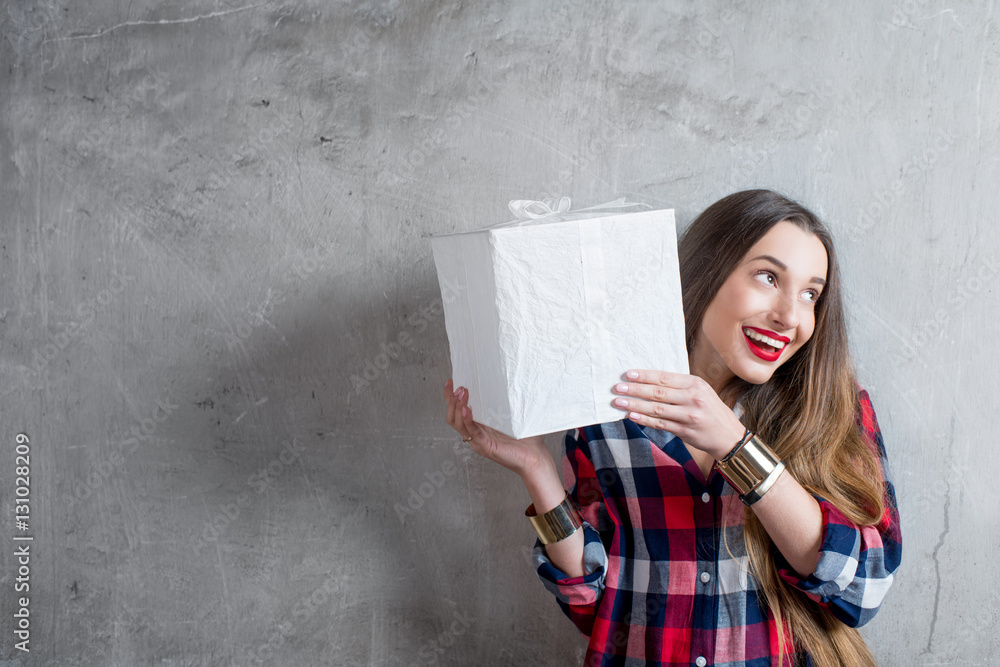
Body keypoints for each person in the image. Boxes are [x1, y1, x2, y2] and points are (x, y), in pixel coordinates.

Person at [442, 189, 902, 667]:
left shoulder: (832, 408)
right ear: (707, 270)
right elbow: (591, 603)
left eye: (811, 293)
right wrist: (536, 468)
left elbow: (865, 588)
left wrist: (734, 445)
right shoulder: (608, 406)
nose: (790, 316)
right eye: (768, 277)